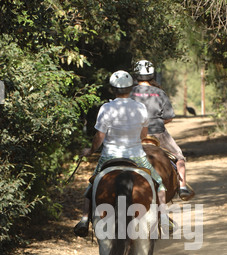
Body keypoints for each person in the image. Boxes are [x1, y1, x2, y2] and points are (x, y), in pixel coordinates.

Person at [74, 70, 169, 238]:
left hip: (109, 156)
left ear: (113, 90)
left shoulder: (106, 108)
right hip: (136, 156)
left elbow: (99, 136)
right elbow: (143, 135)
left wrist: (90, 151)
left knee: (91, 186)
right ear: (131, 89)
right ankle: (165, 219)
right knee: (159, 184)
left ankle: (84, 219)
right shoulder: (140, 107)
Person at [131, 60, 193, 201]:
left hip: (134, 135)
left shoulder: (130, 92)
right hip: (158, 133)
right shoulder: (159, 93)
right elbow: (169, 117)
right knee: (179, 156)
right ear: (151, 74)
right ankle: (182, 187)